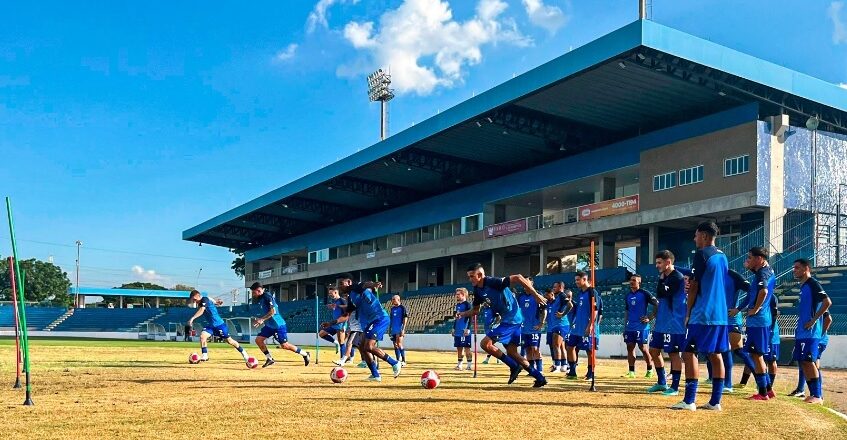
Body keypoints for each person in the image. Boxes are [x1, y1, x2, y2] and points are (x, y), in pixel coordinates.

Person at [455, 263, 548, 387]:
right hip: (509, 320)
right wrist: (462, 313)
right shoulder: (477, 290)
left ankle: (514, 366)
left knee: (485, 344)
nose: (470, 279)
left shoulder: (493, 282)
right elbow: (476, 311)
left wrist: (535, 295)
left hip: (512, 319)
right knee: (512, 353)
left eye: (472, 276)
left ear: (480, 275)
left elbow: (519, 277)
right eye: (469, 276)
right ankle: (539, 377)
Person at [671, 221, 729, 411]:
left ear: (704, 236)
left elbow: (694, 286)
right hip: (720, 315)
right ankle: (715, 401)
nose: (694, 239)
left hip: (703, 314)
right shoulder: (722, 256)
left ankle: (689, 400)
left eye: (696, 235)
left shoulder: (702, 255)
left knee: (689, 353)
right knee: (715, 354)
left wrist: (688, 312)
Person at [333, 274, 401, 382]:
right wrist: (331, 323)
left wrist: (374, 284)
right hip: (370, 322)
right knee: (363, 348)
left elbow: (365, 284)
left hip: (379, 318)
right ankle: (375, 375)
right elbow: (346, 315)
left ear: (349, 282)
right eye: (339, 284)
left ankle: (394, 363)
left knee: (369, 346)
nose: (340, 287)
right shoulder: (351, 298)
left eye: (341, 284)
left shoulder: (356, 287)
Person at [788, 259, 832, 404]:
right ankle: (813, 394)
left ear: (806, 268)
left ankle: (817, 395)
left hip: (811, 333)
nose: (794, 270)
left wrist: (813, 321)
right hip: (802, 332)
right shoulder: (803, 287)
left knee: (809, 361)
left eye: (797, 267)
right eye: (794, 268)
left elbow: (827, 302)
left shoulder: (813, 284)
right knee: (804, 362)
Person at [735, 247, 776, 401]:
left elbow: (763, 291)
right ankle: (768, 390)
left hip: (758, 321)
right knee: (757, 355)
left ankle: (763, 393)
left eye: (750, 257)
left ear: (760, 259)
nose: (748, 259)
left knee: (756, 356)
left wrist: (755, 309)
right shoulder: (766, 270)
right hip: (761, 321)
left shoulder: (762, 273)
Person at [647, 251, 687, 395]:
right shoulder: (664, 277)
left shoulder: (677, 277)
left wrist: (661, 280)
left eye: (659, 263)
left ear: (668, 262)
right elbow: (660, 293)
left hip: (674, 321)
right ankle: (662, 382)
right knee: (653, 350)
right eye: (657, 262)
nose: (657, 266)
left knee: (674, 353)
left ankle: (675, 387)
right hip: (662, 321)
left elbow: (662, 293)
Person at [250, 282, 310, 368]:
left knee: (285, 345)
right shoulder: (262, 298)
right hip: (270, 326)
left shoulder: (267, 296)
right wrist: (261, 319)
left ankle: (305, 354)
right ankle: (270, 359)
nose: (253, 294)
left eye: (254, 292)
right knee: (259, 340)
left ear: (259, 290)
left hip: (278, 325)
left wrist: (262, 319)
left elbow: (272, 312)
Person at [186, 290, 250, 365]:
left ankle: (245, 354)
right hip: (211, 326)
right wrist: (216, 302)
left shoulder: (204, 299)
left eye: (195, 299)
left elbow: (202, 310)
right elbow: (211, 300)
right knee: (203, 336)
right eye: (193, 300)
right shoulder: (203, 301)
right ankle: (205, 355)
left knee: (230, 341)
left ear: (198, 296)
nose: (194, 301)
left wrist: (192, 318)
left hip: (219, 325)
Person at [565, 271, 598, 381]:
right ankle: (573, 371)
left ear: (585, 279)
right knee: (570, 347)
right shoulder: (580, 293)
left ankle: (590, 373)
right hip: (577, 328)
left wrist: (590, 326)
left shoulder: (592, 292)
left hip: (586, 327)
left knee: (589, 351)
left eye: (578, 280)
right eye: (575, 280)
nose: (576, 282)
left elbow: (595, 311)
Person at [622, 274, 656, 378]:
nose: (631, 282)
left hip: (641, 326)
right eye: (630, 280)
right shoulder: (627, 295)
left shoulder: (645, 293)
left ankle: (650, 369)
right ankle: (631, 372)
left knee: (643, 348)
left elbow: (657, 304)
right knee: (629, 347)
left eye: (634, 280)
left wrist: (649, 318)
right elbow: (627, 311)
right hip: (630, 327)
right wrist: (624, 327)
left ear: (639, 282)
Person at [519, 284, 547, 373]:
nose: (526, 286)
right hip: (524, 328)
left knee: (535, 349)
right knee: (527, 349)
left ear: (532, 284)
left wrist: (541, 323)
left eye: (528, 283)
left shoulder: (538, 295)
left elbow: (544, 309)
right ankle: (531, 370)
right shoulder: (520, 296)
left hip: (534, 327)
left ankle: (539, 369)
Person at [546, 286, 572, 373]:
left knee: (556, 345)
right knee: (561, 346)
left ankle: (557, 365)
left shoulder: (562, 295)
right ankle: (564, 365)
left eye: (555, 287)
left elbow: (570, 305)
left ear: (560, 287)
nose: (553, 288)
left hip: (560, 325)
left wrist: (562, 314)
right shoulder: (556, 299)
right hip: (557, 325)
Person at [319, 286, 345, 354]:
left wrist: (345, 325)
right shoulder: (334, 301)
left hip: (340, 323)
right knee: (321, 333)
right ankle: (335, 343)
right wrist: (332, 307)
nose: (329, 295)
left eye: (331, 293)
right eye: (329, 293)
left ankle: (344, 359)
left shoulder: (342, 300)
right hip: (334, 323)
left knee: (342, 342)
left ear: (336, 292)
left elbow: (346, 312)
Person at [452, 288, 474, 371]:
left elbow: (471, 317)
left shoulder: (468, 305)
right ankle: (459, 365)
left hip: (464, 330)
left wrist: (468, 328)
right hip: (457, 330)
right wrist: (454, 328)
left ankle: (469, 365)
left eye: (458, 294)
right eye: (456, 294)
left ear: (463, 295)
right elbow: (456, 318)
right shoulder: (457, 305)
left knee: (467, 348)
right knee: (459, 348)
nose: (456, 296)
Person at [389, 295, 409, 367]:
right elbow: (391, 319)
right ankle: (398, 360)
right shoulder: (392, 309)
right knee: (395, 345)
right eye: (392, 299)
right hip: (393, 329)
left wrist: (403, 329)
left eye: (394, 299)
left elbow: (405, 319)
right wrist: (389, 329)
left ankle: (403, 361)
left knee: (399, 344)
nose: (392, 301)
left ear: (398, 299)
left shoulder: (402, 308)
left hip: (399, 329)